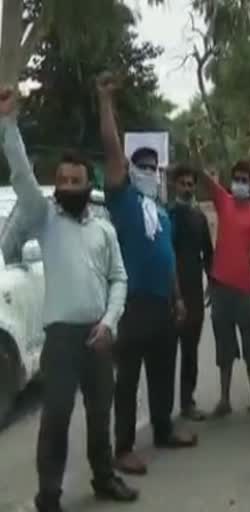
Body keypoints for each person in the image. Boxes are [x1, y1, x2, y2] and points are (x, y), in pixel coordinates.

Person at [0, 88, 137, 511]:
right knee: (55, 420)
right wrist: (7, 124)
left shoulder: (104, 230)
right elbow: (22, 177)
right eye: (62, 181)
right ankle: (49, 495)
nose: (68, 186)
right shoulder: (44, 219)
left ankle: (104, 477)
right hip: (60, 339)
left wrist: (110, 321)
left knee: (100, 415)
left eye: (76, 181)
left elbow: (119, 279)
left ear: (88, 183)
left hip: (99, 335)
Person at [97, 73, 197, 477]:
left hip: (162, 302)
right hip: (132, 302)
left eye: (153, 167)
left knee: (162, 371)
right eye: (142, 165)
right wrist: (105, 103)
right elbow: (111, 149)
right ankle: (122, 448)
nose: (148, 170)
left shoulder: (160, 210)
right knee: (127, 381)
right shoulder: (123, 200)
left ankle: (162, 429)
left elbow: (167, 255)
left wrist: (177, 298)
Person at [197, 159, 250, 418]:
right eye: (237, 179)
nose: (240, 184)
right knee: (225, 346)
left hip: (244, 289)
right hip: (220, 286)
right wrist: (198, 152)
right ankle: (224, 399)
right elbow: (205, 178)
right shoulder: (224, 201)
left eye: (245, 180)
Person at [169, 164, 213, 421]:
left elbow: (208, 253)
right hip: (169, 293)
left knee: (190, 352)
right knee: (165, 353)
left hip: (194, 291)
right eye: (183, 183)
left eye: (190, 184)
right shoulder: (167, 215)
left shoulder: (199, 217)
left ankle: (188, 403)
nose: (187, 188)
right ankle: (162, 408)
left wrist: (211, 281)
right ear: (175, 185)